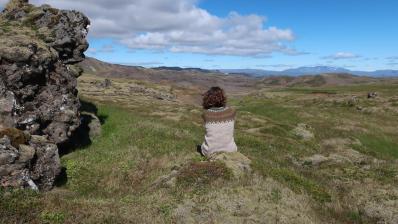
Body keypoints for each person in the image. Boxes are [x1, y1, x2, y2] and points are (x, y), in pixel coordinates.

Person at [200, 87, 237, 157]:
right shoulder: (232, 111)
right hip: (231, 150)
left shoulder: (205, 114)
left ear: (207, 99)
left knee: (203, 145)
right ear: (223, 98)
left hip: (209, 152)